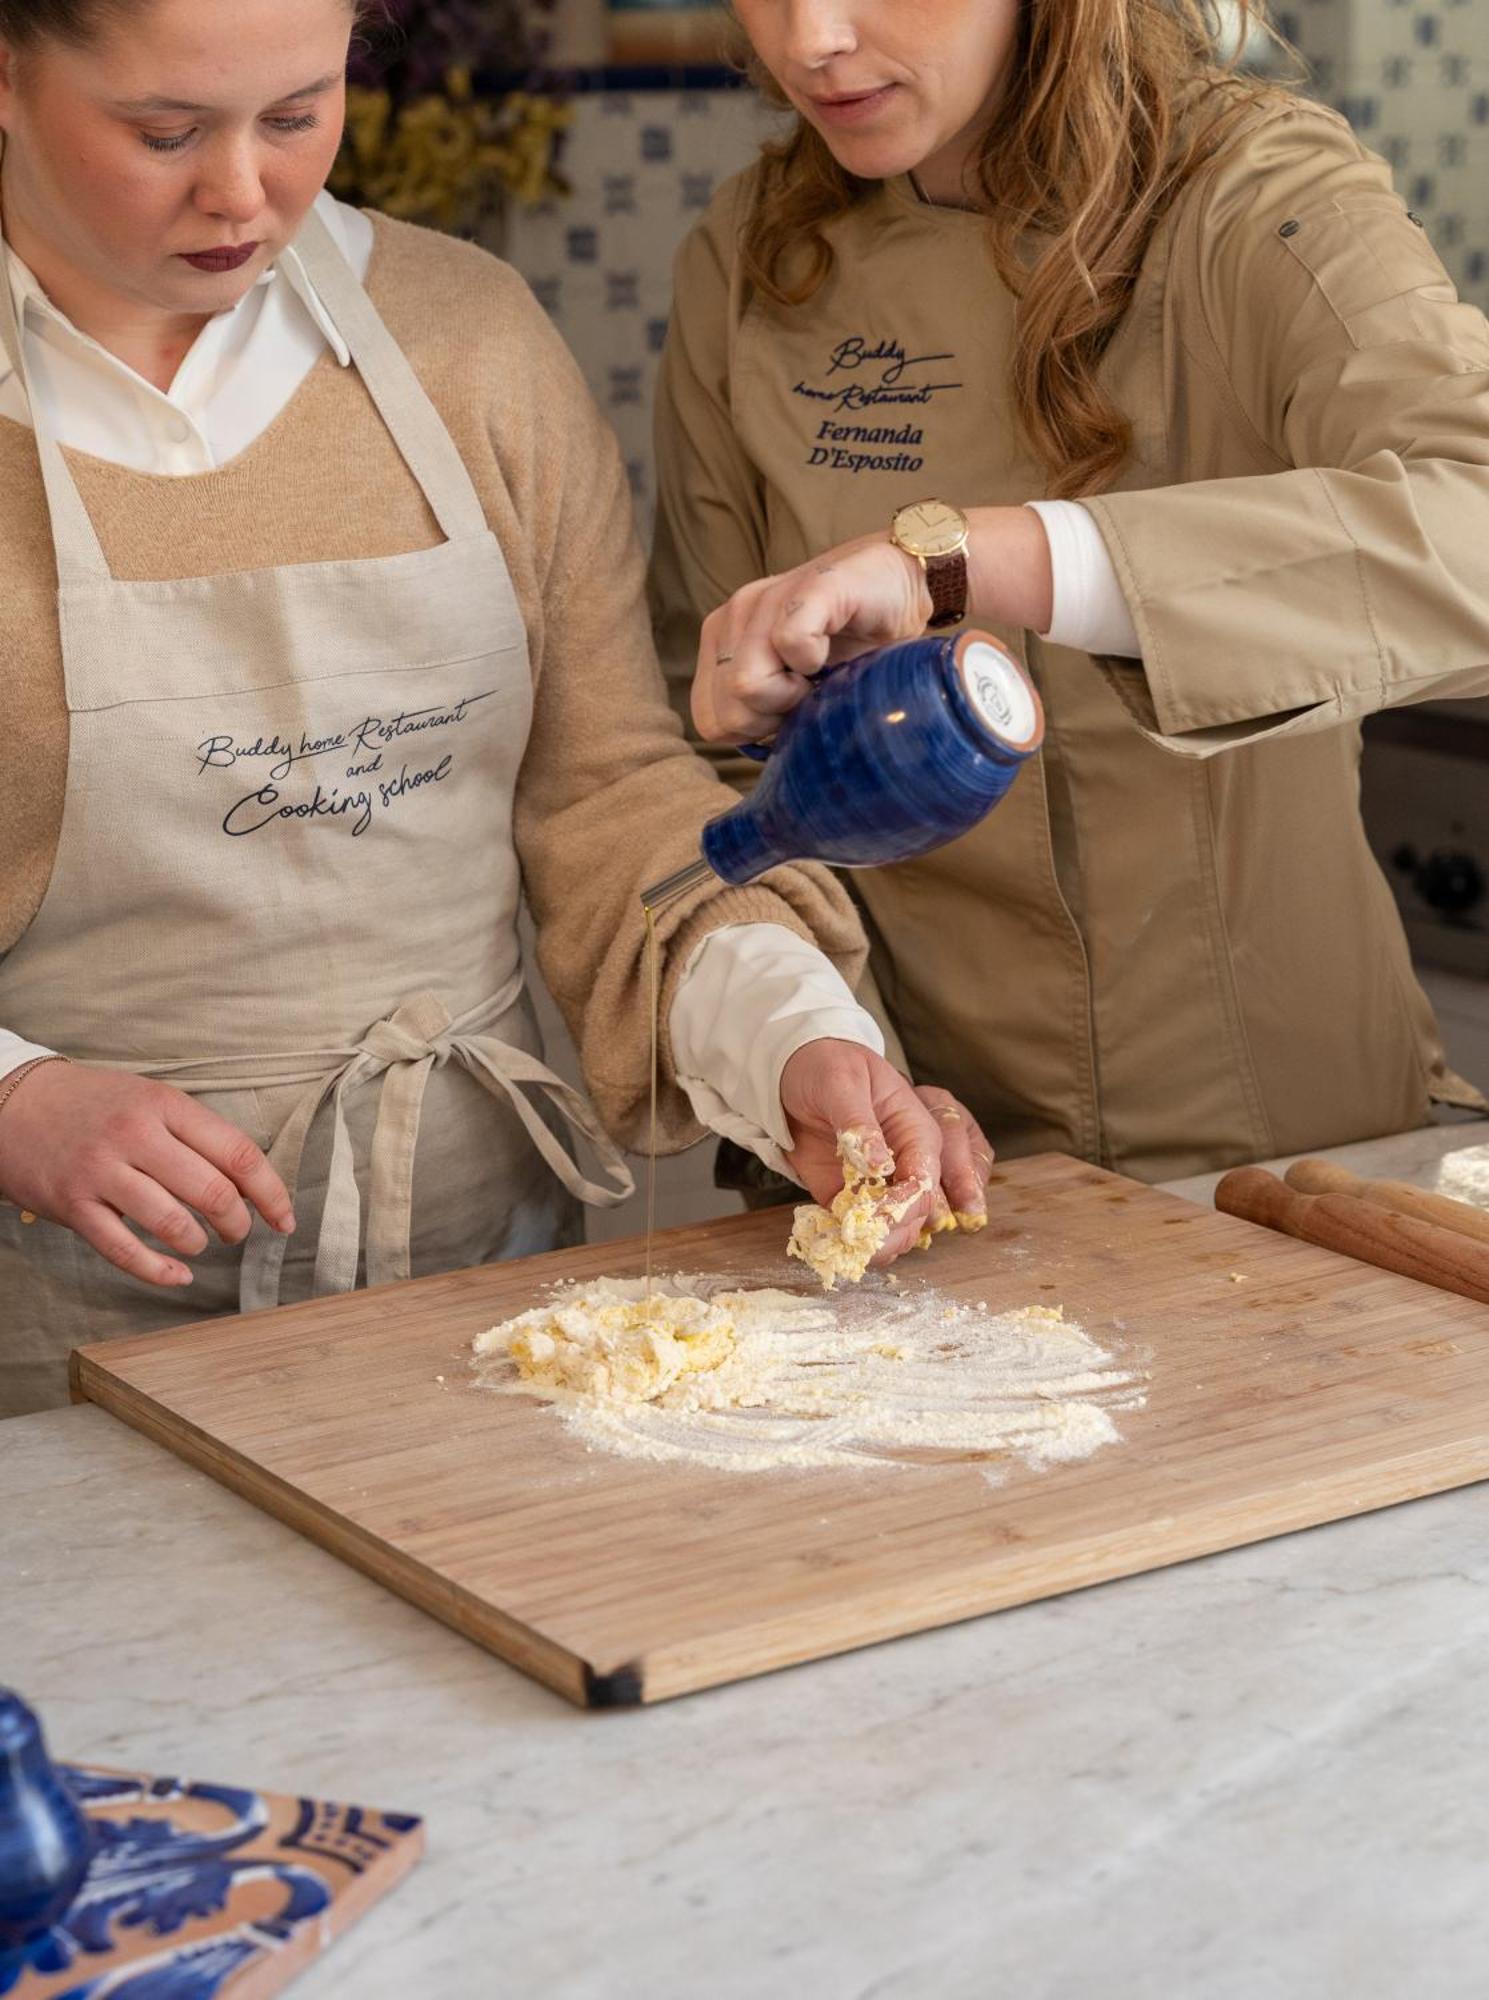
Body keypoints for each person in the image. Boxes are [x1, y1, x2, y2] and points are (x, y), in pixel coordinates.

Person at [0, 0, 994, 1418]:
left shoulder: (467, 343)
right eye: (164, 133)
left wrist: (793, 1040)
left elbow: (610, 793)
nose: (243, 193)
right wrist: (16, 1101)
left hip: (475, 1300)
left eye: (295, 115)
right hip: (60, 1347)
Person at [650, 0, 1489, 1192]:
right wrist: (814, 1042)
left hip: (1277, 1155)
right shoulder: (750, 256)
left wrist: (972, 562)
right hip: (912, 1153)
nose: (811, 38)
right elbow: (706, 739)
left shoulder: (1247, 190)